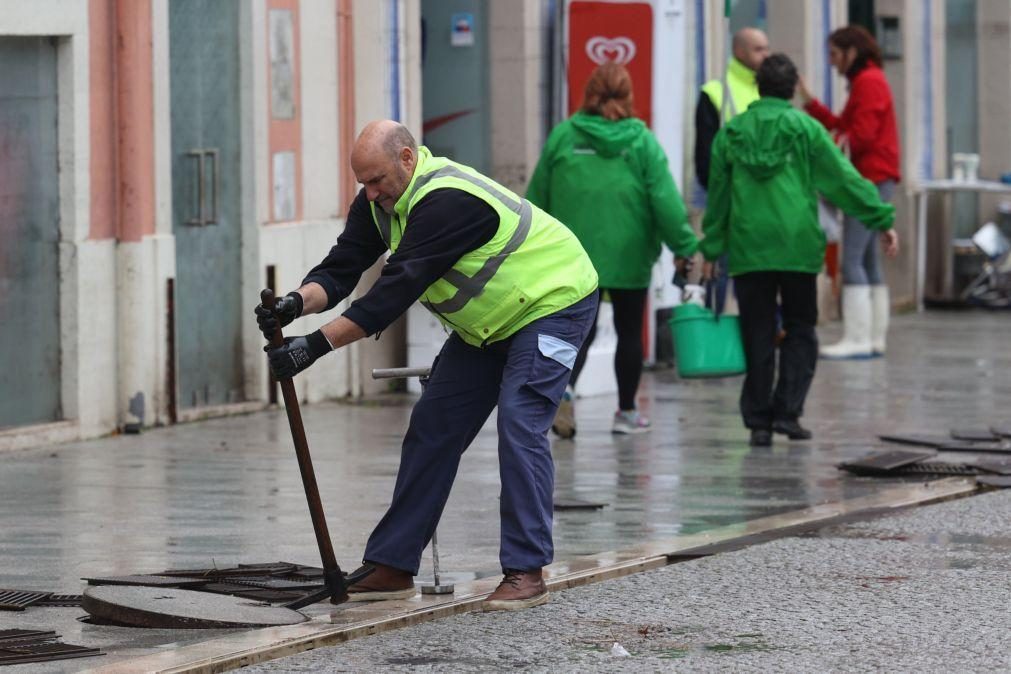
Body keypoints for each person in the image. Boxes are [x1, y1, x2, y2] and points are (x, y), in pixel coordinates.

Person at [255, 120, 598, 611]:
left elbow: (390, 295)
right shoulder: (380, 202)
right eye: (362, 184)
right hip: (487, 326)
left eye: (376, 181)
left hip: (552, 304)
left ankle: (526, 570)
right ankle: (392, 565)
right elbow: (343, 267)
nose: (370, 194)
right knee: (433, 425)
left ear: (408, 159)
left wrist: (312, 347)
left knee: (520, 423)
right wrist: (296, 303)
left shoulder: (447, 201)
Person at [700, 54, 898, 447]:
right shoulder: (805, 129)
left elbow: (718, 199)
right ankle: (788, 413)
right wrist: (880, 217)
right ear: (792, 90)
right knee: (801, 328)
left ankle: (758, 421)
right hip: (797, 246)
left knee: (756, 331)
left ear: (758, 87)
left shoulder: (732, 134)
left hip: (749, 247)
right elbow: (841, 180)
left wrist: (711, 248)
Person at [527, 62, 698, 437]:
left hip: (572, 256)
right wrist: (686, 246)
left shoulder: (563, 137)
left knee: (576, 332)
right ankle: (626, 412)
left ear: (589, 93)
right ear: (628, 96)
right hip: (630, 253)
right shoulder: (641, 141)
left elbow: (535, 200)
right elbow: (665, 201)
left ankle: (563, 392)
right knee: (628, 332)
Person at [798, 25, 900, 359]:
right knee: (869, 260)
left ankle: (858, 338)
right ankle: (873, 338)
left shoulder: (868, 82)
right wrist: (812, 104)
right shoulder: (868, 80)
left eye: (834, 54)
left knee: (852, 258)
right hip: (877, 176)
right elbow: (843, 125)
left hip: (869, 178)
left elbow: (859, 136)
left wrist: (827, 154)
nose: (831, 62)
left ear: (851, 52)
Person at [694, 27, 769, 315]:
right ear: (739, 51)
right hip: (728, 201)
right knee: (721, 272)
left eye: (766, 48)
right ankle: (720, 339)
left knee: (759, 278)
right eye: (758, 49)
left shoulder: (770, 89)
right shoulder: (715, 92)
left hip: (763, 203)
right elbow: (705, 156)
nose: (765, 55)